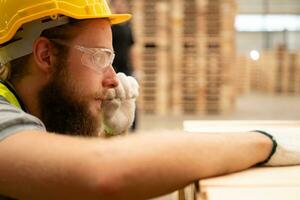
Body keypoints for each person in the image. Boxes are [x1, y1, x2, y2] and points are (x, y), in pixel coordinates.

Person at [0, 1, 299, 200]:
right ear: (46, 55)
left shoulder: (33, 110)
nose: (113, 78)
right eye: (99, 57)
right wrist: (266, 142)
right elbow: (103, 174)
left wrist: (110, 134)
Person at [110, 0, 138, 131]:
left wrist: (136, 68)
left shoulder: (128, 26)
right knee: (113, 96)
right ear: (114, 5)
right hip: (112, 67)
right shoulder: (110, 26)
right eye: (118, 3)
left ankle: (133, 127)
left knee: (131, 94)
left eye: (123, 4)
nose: (121, 6)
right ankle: (113, 126)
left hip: (126, 66)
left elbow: (132, 48)